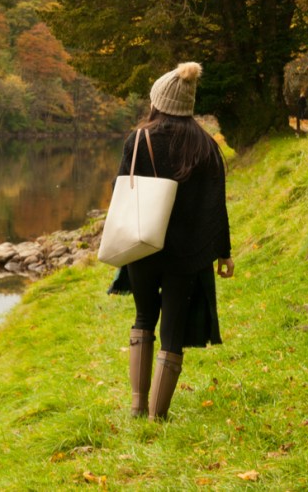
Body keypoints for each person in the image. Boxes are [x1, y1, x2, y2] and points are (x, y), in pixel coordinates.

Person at [107, 61, 233, 420]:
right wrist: (223, 254)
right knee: (173, 330)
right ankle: (158, 416)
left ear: (158, 102)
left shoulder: (139, 139)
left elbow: (119, 191)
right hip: (187, 254)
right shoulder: (207, 146)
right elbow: (215, 207)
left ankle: (136, 404)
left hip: (142, 246)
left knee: (144, 316)